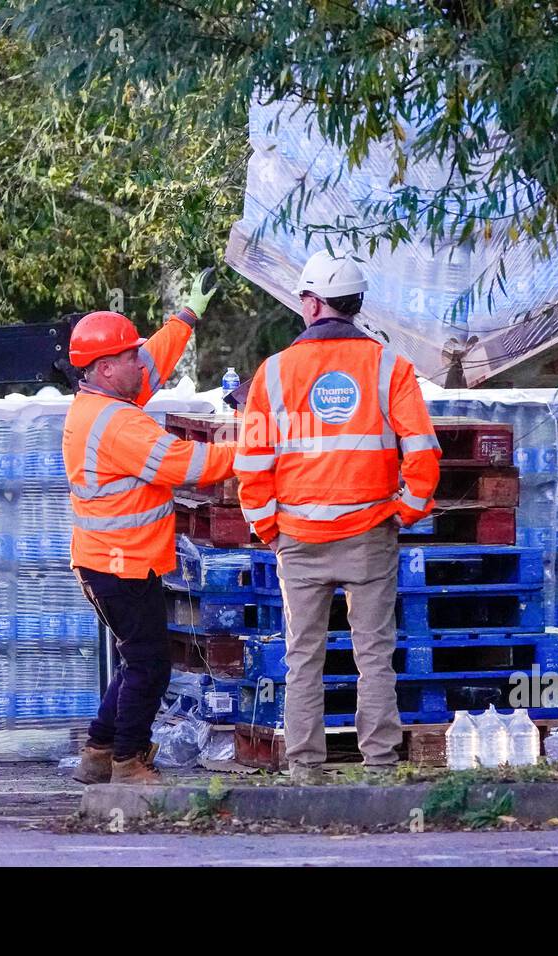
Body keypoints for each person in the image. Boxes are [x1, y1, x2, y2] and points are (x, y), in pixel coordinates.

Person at [235, 251, 441, 783]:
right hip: (371, 535)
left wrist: (266, 525)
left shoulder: (274, 371)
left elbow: (252, 460)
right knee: (374, 655)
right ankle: (378, 764)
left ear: (311, 302)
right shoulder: (391, 368)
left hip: (298, 540)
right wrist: (406, 511)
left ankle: (305, 768)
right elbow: (422, 452)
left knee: (303, 658)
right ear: (356, 304)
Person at [65, 274, 236, 785]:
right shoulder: (121, 425)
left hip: (111, 559)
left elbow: (154, 360)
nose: (142, 364)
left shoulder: (104, 402)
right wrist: (252, 452)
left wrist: (187, 317)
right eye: (129, 357)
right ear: (104, 367)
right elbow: (188, 466)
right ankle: (128, 762)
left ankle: (99, 751)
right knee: (149, 665)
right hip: (118, 562)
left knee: (135, 658)